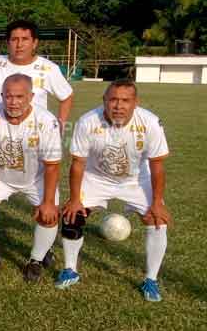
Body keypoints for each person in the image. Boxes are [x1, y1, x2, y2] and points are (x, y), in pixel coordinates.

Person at [59, 80, 171, 301]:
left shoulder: (150, 123)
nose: (118, 105)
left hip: (137, 180)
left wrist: (157, 202)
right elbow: (78, 164)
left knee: (157, 221)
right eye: (113, 99)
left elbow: (157, 166)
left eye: (125, 100)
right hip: (96, 178)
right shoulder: (87, 121)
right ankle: (70, 269)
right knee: (72, 217)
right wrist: (74, 199)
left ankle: (151, 279)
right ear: (104, 101)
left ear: (135, 103)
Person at [0, 74, 62, 280]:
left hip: (36, 178)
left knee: (49, 215)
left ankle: (36, 261)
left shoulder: (47, 121)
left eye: (20, 96)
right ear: (2, 95)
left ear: (32, 96)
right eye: (8, 96)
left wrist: (47, 202)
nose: (14, 102)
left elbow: (52, 166)